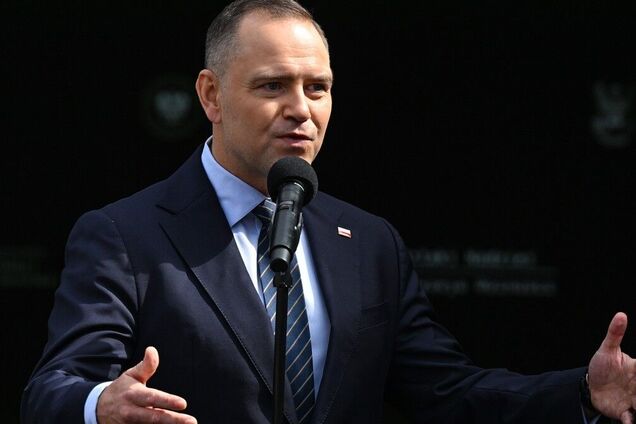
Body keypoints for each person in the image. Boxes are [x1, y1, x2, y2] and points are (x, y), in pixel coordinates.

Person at [21, 0, 636, 423]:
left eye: (317, 88)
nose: (301, 109)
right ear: (211, 95)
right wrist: (99, 404)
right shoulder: (126, 235)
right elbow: (52, 389)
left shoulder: (369, 243)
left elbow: (446, 391)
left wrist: (582, 392)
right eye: (272, 86)